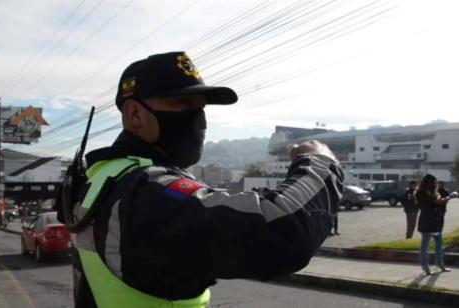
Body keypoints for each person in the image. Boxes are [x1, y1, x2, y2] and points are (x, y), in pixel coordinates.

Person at [61, 51, 344, 308]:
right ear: (135, 114)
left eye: (201, 107)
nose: (198, 119)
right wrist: (320, 161)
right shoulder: (148, 192)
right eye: (182, 103)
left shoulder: (101, 174)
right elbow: (286, 232)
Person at [415, 174, 458, 275]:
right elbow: (440, 202)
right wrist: (451, 196)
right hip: (428, 222)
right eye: (435, 181)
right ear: (429, 182)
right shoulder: (425, 193)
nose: (436, 183)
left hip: (433, 221)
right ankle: (426, 267)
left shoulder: (423, 192)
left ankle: (438, 264)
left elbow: (438, 202)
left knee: (438, 244)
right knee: (425, 246)